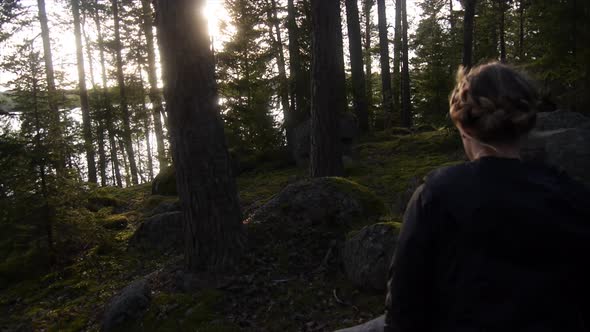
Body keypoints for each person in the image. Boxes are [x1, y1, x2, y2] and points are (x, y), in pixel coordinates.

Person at [384, 62, 590, 332]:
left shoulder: (436, 195)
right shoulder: (573, 196)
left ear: (465, 129)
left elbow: (403, 306)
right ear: (525, 124)